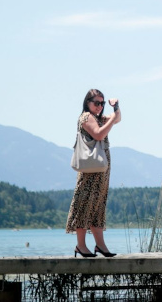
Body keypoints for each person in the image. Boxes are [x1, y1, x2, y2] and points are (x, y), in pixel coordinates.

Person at [67, 89, 121, 257]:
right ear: (87, 102)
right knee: (83, 205)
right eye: (96, 103)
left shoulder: (98, 118)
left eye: (102, 103)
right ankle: (81, 246)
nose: (99, 106)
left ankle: (101, 246)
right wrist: (111, 118)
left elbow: (117, 119)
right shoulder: (86, 117)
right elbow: (98, 134)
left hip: (100, 171)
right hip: (90, 171)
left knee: (97, 207)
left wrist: (116, 108)